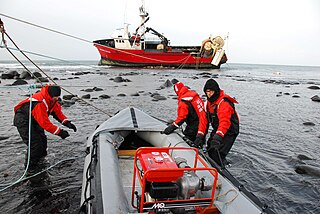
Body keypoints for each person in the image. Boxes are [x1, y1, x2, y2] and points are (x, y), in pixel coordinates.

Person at [13, 84, 77, 167]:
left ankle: (41, 161)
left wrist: (67, 123)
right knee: (35, 144)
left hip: (35, 119)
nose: (57, 98)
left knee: (43, 141)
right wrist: (60, 132)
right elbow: (45, 123)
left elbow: (57, 113)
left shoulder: (51, 100)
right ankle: (30, 167)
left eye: (58, 96)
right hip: (23, 120)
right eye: (55, 96)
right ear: (50, 94)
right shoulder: (39, 103)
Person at [203, 79, 239, 166]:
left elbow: (225, 121)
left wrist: (218, 136)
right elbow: (203, 120)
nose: (209, 94)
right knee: (210, 148)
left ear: (216, 91)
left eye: (211, 91)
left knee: (218, 153)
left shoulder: (224, 103)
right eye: (207, 91)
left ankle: (222, 168)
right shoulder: (208, 103)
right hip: (218, 128)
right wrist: (200, 135)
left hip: (230, 130)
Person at [163, 81, 208, 148]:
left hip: (194, 125)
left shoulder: (184, 101)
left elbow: (181, 118)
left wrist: (171, 127)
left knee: (187, 140)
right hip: (204, 123)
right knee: (200, 142)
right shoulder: (194, 96)